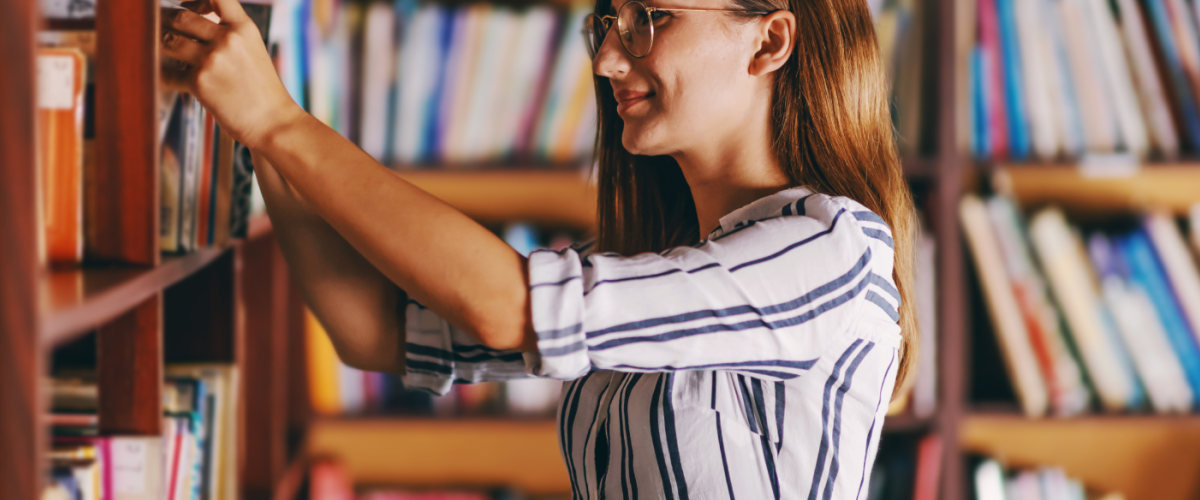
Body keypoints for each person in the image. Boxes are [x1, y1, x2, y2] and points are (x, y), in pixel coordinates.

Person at [160, 0, 919, 495]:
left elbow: (506, 308)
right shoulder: (666, 272)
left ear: (770, 40)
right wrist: (256, 128)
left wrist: (280, 123)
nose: (607, 61)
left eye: (650, 17)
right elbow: (376, 330)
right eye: (609, 22)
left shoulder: (831, 253)